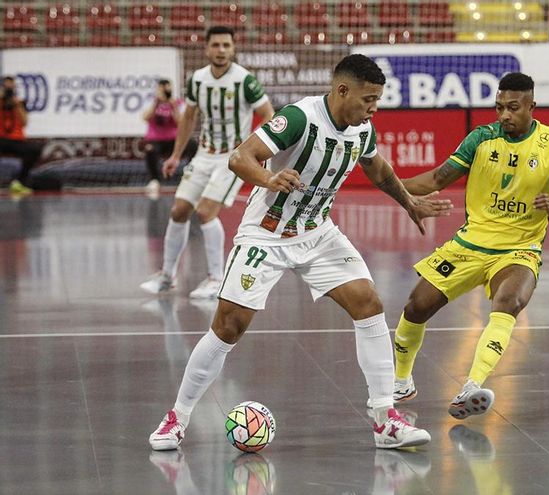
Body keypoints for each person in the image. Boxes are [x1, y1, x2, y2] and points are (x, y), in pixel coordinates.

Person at [148, 54, 451, 452]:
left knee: (368, 303)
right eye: (368, 99)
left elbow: (377, 169)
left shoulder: (362, 129)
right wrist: (269, 178)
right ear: (342, 90)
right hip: (267, 234)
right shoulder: (299, 118)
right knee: (228, 327)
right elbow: (241, 157)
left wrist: (409, 201)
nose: (374, 108)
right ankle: (178, 418)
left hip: (317, 232)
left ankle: (385, 420)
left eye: (377, 99)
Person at [390, 72, 549, 419]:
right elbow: (436, 179)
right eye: (499, 107)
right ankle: (401, 380)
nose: (504, 115)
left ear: (532, 106)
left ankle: (471, 386)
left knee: (509, 301)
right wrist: (391, 185)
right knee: (416, 307)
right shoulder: (481, 139)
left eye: (513, 108)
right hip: (470, 244)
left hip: (520, 248)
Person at [140, 26, 274, 299]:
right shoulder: (198, 80)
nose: (221, 50)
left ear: (233, 49)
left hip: (232, 158)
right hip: (203, 155)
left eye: (226, 45)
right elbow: (188, 118)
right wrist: (176, 155)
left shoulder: (245, 81)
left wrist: (256, 153)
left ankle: (216, 279)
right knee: (178, 211)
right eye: (216, 45)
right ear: (207, 48)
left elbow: (268, 115)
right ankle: (167, 275)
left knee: (205, 212)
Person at [142, 79, 193, 195]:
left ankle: (191, 177)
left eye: (168, 89)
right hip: (156, 140)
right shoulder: (151, 102)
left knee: (192, 145)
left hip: (174, 140)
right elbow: (145, 117)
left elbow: (181, 122)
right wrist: (156, 103)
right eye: (162, 89)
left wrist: (173, 105)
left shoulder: (178, 103)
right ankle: (154, 180)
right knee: (149, 148)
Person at [1, 76, 44, 195]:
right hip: (1, 138)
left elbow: (25, 122)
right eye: (6, 87)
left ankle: (19, 182)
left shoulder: (19, 103)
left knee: (34, 150)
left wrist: (17, 106)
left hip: (16, 140)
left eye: (11, 87)